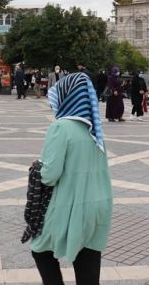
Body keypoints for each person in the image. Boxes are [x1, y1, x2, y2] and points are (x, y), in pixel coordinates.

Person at [30, 72, 113, 284]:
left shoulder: (61, 127)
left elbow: (49, 176)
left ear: (66, 96)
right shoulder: (94, 130)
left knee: (40, 249)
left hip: (71, 205)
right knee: (88, 264)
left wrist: (38, 167)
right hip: (99, 206)